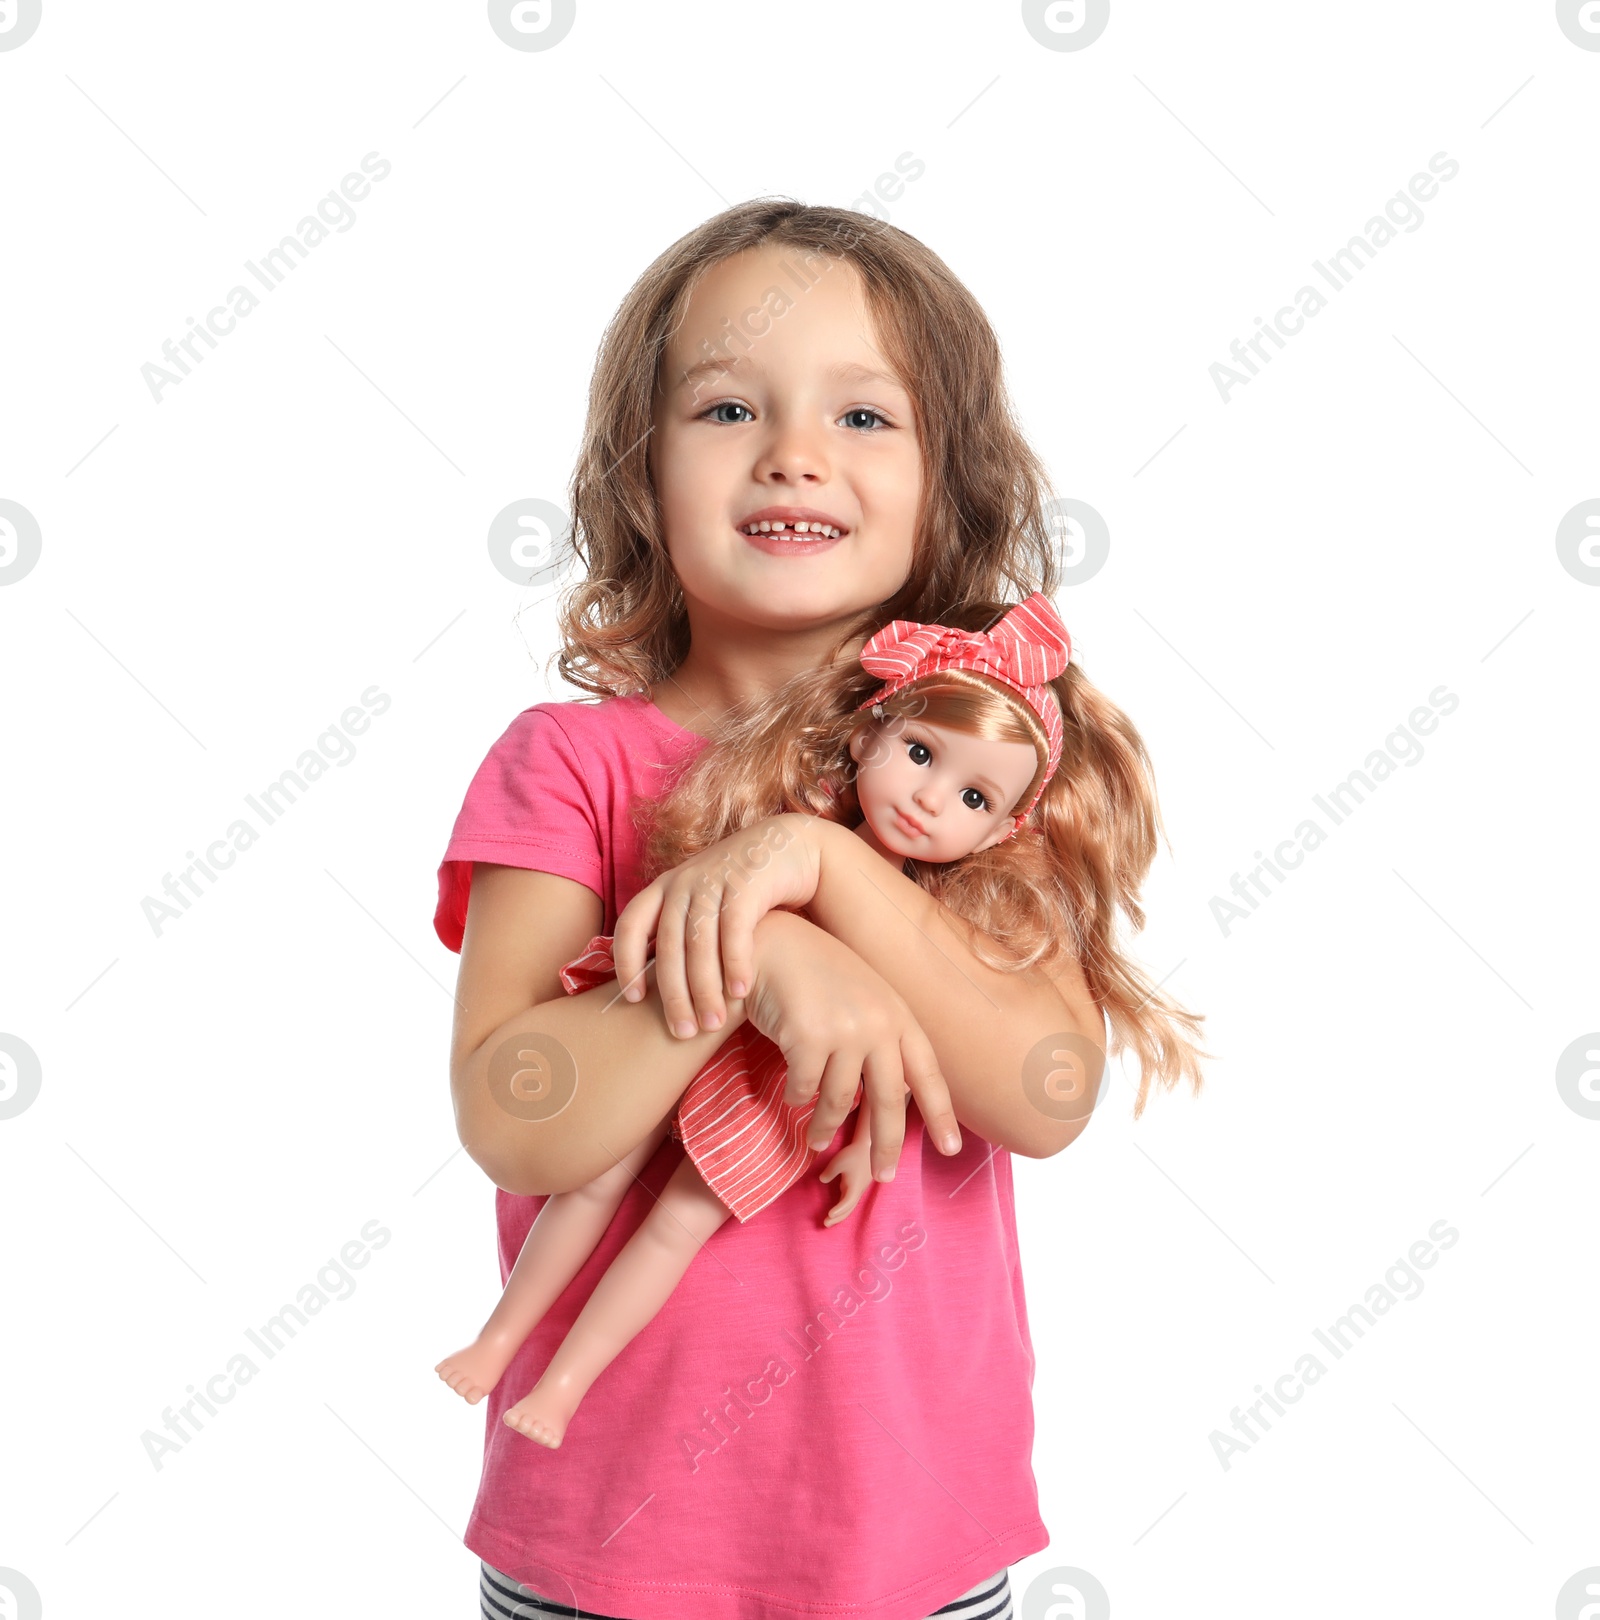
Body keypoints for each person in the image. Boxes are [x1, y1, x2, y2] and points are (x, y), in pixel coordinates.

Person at [434, 200, 1207, 1620]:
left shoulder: (983, 776)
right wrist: (763, 957)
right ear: (638, 476)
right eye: (728, 406)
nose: (795, 451)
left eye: (866, 417)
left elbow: (1043, 1094)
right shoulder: (569, 766)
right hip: (603, 1549)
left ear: (948, 480)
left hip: (909, 1545)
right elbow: (515, 1117)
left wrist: (825, 867)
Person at [439, 595, 1087, 1452]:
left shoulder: (958, 905)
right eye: (920, 755)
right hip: (670, 1026)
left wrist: (867, 1144)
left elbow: (1010, 1088)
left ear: (1005, 828)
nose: (930, 801)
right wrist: (773, 929)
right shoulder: (608, 764)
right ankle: (497, 1340)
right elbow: (516, 1128)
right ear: (869, 733)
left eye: (970, 796)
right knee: (597, 1181)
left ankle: (561, 1387)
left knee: (678, 1220)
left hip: (778, 1094)